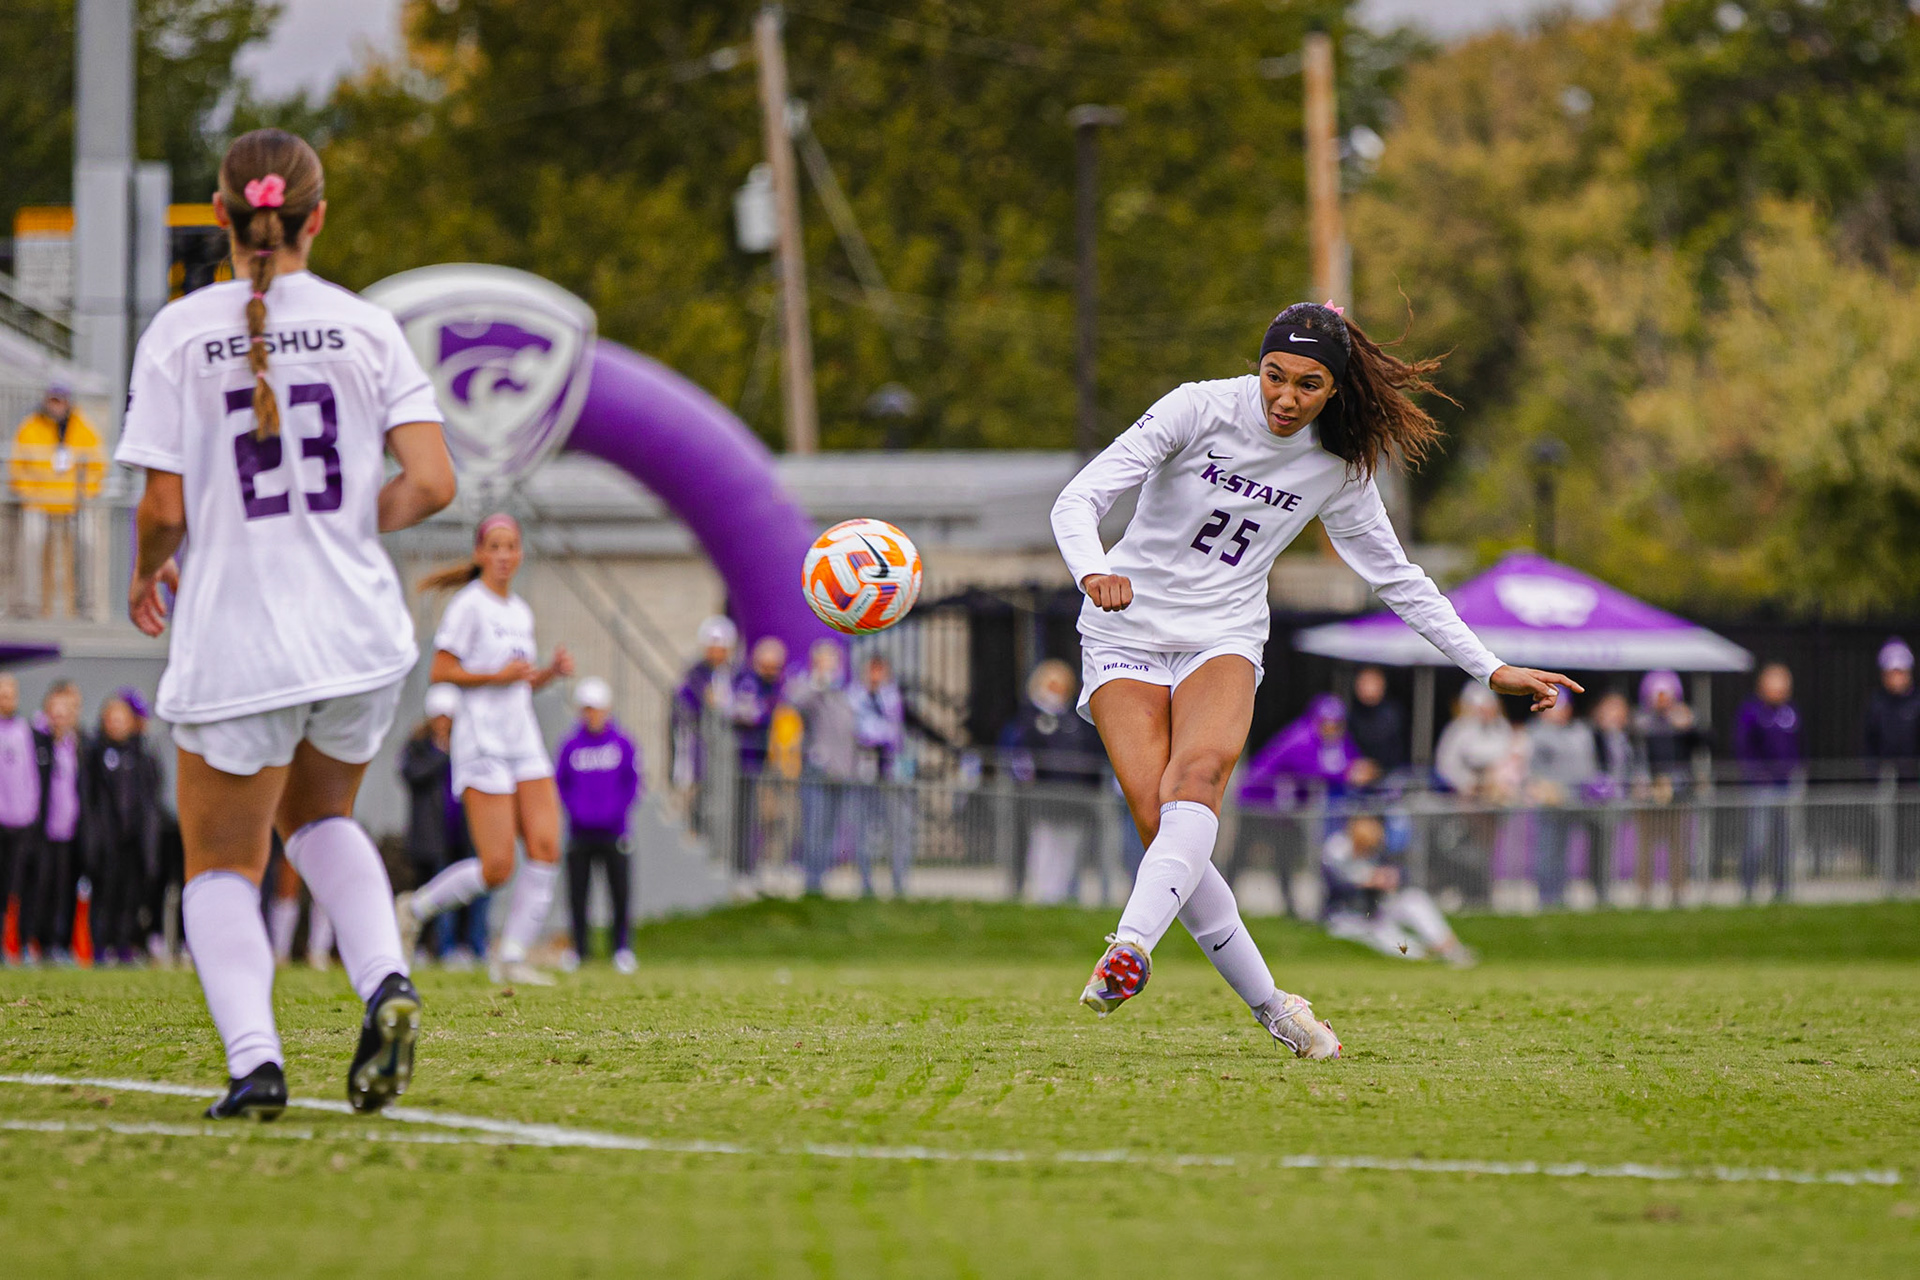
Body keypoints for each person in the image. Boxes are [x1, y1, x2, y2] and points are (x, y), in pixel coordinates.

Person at [1051, 300, 1578, 1058]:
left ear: (1335, 389)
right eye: (1275, 376)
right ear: (1258, 367)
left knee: (1195, 782)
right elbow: (1080, 498)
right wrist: (1092, 569)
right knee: (1161, 828)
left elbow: (1398, 579)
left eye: (1308, 384)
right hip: (1124, 626)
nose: (1286, 398)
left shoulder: (1338, 465)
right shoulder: (1197, 407)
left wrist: (1489, 667)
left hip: (1223, 635)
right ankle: (1274, 1006)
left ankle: (1129, 947)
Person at [119, 127, 456, 1118]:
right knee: (320, 820)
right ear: (318, 217)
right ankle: (386, 982)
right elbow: (433, 481)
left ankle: (256, 1065)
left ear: (220, 215)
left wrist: (146, 571)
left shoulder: (180, 331)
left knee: (222, 865)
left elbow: (163, 509)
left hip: (241, 634)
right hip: (359, 632)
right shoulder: (367, 325)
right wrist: (345, 524)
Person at [398, 514, 574, 987]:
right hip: (483, 742)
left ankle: (512, 956)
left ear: (520, 553)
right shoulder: (469, 605)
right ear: (479, 553)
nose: (503, 555)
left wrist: (548, 674)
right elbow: (440, 670)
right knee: (497, 867)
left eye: (511, 546)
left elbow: (518, 681)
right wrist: (496, 676)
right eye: (494, 546)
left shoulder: (520, 611)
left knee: (546, 846)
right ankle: (415, 909)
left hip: (523, 740)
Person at [1000, 658, 1106, 905]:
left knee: (1069, 850)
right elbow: (1019, 751)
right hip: (1043, 797)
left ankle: (1063, 895)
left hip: (1074, 797)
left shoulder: (1076, 720)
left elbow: (1092, 749)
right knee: (1044, 846)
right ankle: (1042, 895)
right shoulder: (1028, 718)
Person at [555, 676, 641, 971]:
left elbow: (632, 782)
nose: (592, 715)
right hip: (579, 833)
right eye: (587, 709)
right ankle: (580, 950)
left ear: (606, 709)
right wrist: (576, 811)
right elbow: (562, 783)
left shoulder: (622, 743)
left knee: (620, 893)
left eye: (596, 708)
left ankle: (622, 948)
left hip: (615, 832)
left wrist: (617, 812)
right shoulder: (570, 746)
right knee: (578, 894)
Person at [400, 684, 485, 965]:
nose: (443, 723)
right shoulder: (418, 746)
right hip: (433, 835)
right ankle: (437, 947)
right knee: (435, 890)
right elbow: (411, 774)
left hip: (464, 831)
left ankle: (469, 947)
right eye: (439, 717)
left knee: (470, 892)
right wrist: (441, 755)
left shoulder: (468, 744)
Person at [8, 382, 107, 617]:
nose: (56, 405)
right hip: (38, 503)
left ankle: (87, 606)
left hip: (74, 504)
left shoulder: (83, 427)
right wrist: (30, 492)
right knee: (31, 543)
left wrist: (84, 493)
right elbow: (17, 466)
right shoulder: (30, 426)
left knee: (88, 542)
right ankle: (28, 605)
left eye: (60, 400)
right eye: (52, 400)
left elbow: (97, 465)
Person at [1321, 816, 1474, 966]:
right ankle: (1424, 954)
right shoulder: (1337, 849)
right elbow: (1334, 885)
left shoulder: (1376, 849)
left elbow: (1400, 871)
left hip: (1377, 909)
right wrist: (1363, 883)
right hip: (1349, 917)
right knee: (1408, 950)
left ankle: (1450, 948)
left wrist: (1391, 877)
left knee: (1414, 899)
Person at [82, 692, 162, 966]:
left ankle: (124, 946)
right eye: (111, 719)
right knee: (104, 894)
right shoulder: (94, 753)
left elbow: (151, 798)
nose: (116, 724)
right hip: (106, 839)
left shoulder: (142, 755)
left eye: (121, 719)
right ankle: (100, 948)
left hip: (134, 840)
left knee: (130, 895)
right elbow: (89, 798)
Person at [788, 640, 860, 895]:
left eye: (834, 663)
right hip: (816, 773)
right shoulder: (809, 690)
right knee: (814, 829)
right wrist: (818, 682)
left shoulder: (844, 695)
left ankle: (821, 881)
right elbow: (796, 703)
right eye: (826, 663)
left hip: (841, 774)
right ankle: (812, 884)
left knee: (830, 831)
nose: (831, 668)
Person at [21, 682, 84, 965]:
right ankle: (28, 943)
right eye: (56, 710)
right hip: (41, 830)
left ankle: (56, 945)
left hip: (68, 831)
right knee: (37, 888)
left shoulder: (76, 744)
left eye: (66, 711)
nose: (60, 716)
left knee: (63, 891)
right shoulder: (35, 740)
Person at [1734, 662, 1802, 902]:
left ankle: (1782, 889)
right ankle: (1749, 888)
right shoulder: (1751, 711)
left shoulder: (1791, 712)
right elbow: (1743, 747)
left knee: (1785, 840)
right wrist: (1756, 775)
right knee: (1757, 840)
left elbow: (1798, 746)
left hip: (1787, 785)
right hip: (1760, 786)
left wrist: (1795, 771)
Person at [1633, 670, 1700, 902]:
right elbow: (1637, 755)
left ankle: (1678, 891)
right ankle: (1644, 892)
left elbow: (1705, 742)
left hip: (1678, 792)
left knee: (1678, 845)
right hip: (1649, 792)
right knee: (1645, 846)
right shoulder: (1642, 723)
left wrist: (1689, 727)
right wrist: (1644, 783)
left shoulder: (1682, 721)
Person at [1523, 693, 1596, 907]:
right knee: (1548, 851)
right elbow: (1531, 770)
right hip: (1549, 802)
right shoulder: (1537, 734)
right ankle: (1547, 897)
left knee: (1565, 852)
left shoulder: (1579, 731)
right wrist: (1544, 788)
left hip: (1575, 800)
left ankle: (1561, 895)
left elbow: (1587, 765)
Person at [850, 652, 912, 895]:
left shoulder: (893, 698)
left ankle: (899, 882)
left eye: (880, 671)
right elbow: (859, 730)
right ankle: (866, 882)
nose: (875, 676)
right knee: (864, 830)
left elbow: (895, 732)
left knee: (898, 829)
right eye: (872, 671)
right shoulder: (855, 697)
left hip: (890, 770)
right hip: (864, 769)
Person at [729, 635, 788, 871]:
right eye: (768, 666)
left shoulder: (778, 686)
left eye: (776, 667)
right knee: (745, 814)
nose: (772, 672)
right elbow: (747, 714)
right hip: (747, 759)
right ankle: (743, 864)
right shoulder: (747, 682)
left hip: (770, 759)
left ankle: (765, 863)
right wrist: (765, 711)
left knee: (771, 816)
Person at [671, 615, 738, 801]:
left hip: (725, 744)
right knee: (697, 791)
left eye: (721, 650)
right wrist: (704, 700)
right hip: (699, 740)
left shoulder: (734, 673)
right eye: (712, 649)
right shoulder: (695, 674)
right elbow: (683, 703)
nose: (716, 654)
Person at [0, 674, 38, 965]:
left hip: (20, 823)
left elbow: (30, 775)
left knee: (13, 888)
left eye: (10, 693)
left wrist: (29, 810)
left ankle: (14, 945)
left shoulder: (24, 730)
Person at [1864, 638, 1920, 768]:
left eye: (1900, 673)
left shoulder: (1917, 703)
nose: (1896, 679)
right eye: (1891, 674)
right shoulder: (1876, 704)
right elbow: (1869, 744)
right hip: (1884, 775)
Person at [1347, 666, 1408, 778]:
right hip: (1358, 776)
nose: (1368, 688)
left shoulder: (1394, 714)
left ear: (1382, 685)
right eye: (1364, 683)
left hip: (1391, 775)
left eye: (1373, 683)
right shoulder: (1349, 716)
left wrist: (1376, 769)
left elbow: (1398, 752)